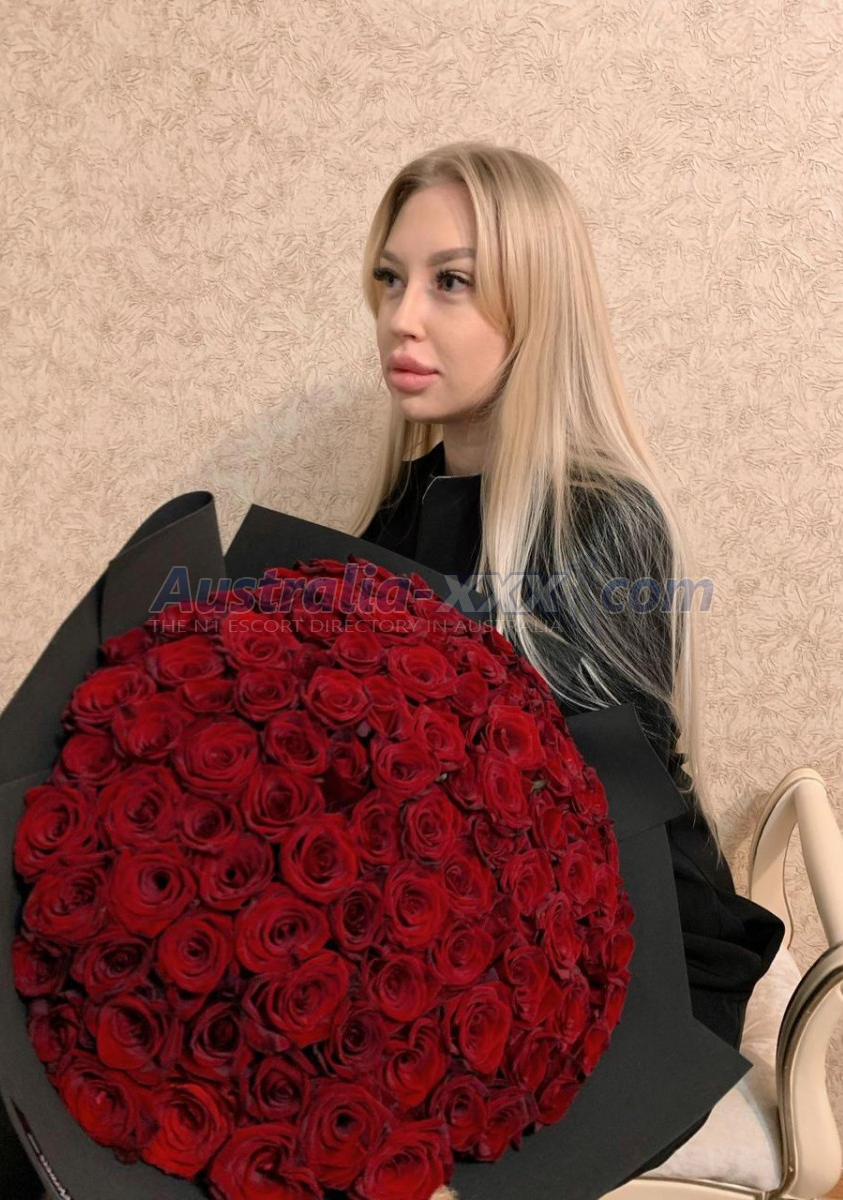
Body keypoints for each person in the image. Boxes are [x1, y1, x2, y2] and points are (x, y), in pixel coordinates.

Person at [348, 141, 785, 1177]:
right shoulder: (411, 495)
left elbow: (585, 823)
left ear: (535, 306)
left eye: (452, 283)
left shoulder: (598, 520)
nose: (402, 318)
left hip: (624, 961)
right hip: (460, 911)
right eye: (391, 279)